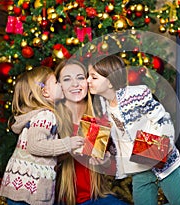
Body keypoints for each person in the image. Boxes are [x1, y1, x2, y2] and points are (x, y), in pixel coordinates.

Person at [87, 55, 180, 205]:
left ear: (109, 82)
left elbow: (163, 119)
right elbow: (120, 143)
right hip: (139, 170)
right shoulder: (103, 110)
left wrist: (160, 149)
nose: (88, 80)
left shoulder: (136, 95)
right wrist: (106, 156)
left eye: (93, 77)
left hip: (164, 164)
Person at [0, 66, 84, 205]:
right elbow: (36, 146)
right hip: (30, 190)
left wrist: (70, 150)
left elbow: (46, 150)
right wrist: (68, 143)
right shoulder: (45, 115)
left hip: (19, 186)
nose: (61, 84)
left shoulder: (38, 115)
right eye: (56, 82)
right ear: (45, 92)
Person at [54, 59, 128, 205]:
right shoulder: (51, 119)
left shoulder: (100, 119)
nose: (75, 84)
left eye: (80, 78)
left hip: (95, 198)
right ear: (59, 86)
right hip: (59, 200)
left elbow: (114, 167)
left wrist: (106, 162)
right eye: (67, 79)